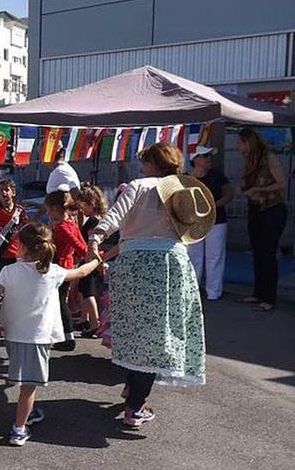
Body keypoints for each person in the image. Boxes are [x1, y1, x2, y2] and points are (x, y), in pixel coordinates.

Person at [87, 142, 211, 428]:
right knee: (160, 334)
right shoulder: (184, 190)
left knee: (133, 330)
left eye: (145, 162)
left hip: (134, 264)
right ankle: (135, 404)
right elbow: (194, 229)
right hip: (171, 264)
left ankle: (133, 392)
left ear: (154, 164)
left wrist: (96, 238)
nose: (142, 167)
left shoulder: (139, 185)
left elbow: (114, 217)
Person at [0, 223, 101, 446]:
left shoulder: (8, 272)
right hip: (38, 337)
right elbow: (82, 272)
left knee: (22, 379)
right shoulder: (52, 272)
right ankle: (18, 429)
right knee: (29, 387)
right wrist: (96, 259)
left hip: (12, 333)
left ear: (23, 247)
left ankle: (26, 415)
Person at [235, 128, 287, 312]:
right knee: (257, 253)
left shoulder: (269, 157)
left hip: (272, 210)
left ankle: (269, 298)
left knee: (267, 254)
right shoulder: (249, 160)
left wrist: (258, 190)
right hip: (256, 209)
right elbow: (249, 184)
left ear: (247, 141)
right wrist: (243, 189)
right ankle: (258, 293)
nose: (237, 146)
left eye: (239, 142)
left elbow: (281, 183)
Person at [187, 146, 234, 302]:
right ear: (195, 159)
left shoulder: (217, 175)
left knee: (215, 256)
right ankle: (193, 290)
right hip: (194, 222)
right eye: (205, 156)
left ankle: (213, 291)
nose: (209, 159)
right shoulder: (186, 178)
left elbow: (229, 193)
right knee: (194, 256)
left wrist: (215, 205)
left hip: (217, 220)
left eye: (209, 156)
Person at [44, 190, 87, 351]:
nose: (47, 212)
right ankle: (62, 335)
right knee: (59, 302)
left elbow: (78, 245)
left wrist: (89, 256)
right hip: (67, 265)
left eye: (48, 209)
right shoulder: (70, 223)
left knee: (59, 303)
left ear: (55, 208)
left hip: (60, 266)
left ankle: (68, 337)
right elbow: (81, 244)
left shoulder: (62, 227)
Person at [70, 183, 109, 336]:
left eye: (83, 206)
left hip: (91, 260)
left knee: (88, 291)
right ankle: (84, 319)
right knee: (83, 290)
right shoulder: (98, 219)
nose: (81, 210)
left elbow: (91, 242)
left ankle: (95, 323)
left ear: (91, 204)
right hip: (92, 259)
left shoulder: (94, 221)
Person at [0, 179, 29, 271]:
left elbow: (26, 227)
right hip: (1, 254)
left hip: (17, 255)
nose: (4, 193)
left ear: (13, 193)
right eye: (1, 190)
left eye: (7, 190)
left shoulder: (19, 211)